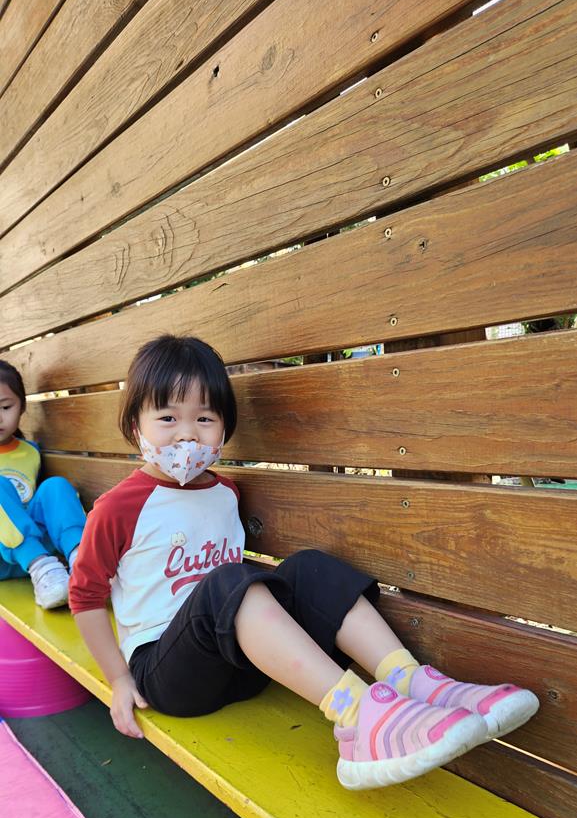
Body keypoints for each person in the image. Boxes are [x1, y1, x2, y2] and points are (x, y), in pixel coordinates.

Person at [69, 336, 539, 790]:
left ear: (225, 427)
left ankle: (410, 680)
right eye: (168, 417)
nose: (188, 434)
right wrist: (119, 679)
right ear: (136, 425)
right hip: (168, 674)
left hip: (241, 667)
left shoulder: (225, 492)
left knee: (308, 567)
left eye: (205, 418)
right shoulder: (119, 507)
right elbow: (86, 595)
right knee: (230, 582)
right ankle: (358, 717)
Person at [0, 360, 87, 609]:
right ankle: (40, 566)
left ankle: (83, 562)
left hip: (43, 557)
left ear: (22, 406)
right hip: (12, 559)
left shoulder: (30, 452)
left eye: (5, 407)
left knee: (55, 486)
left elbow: (38, 506)